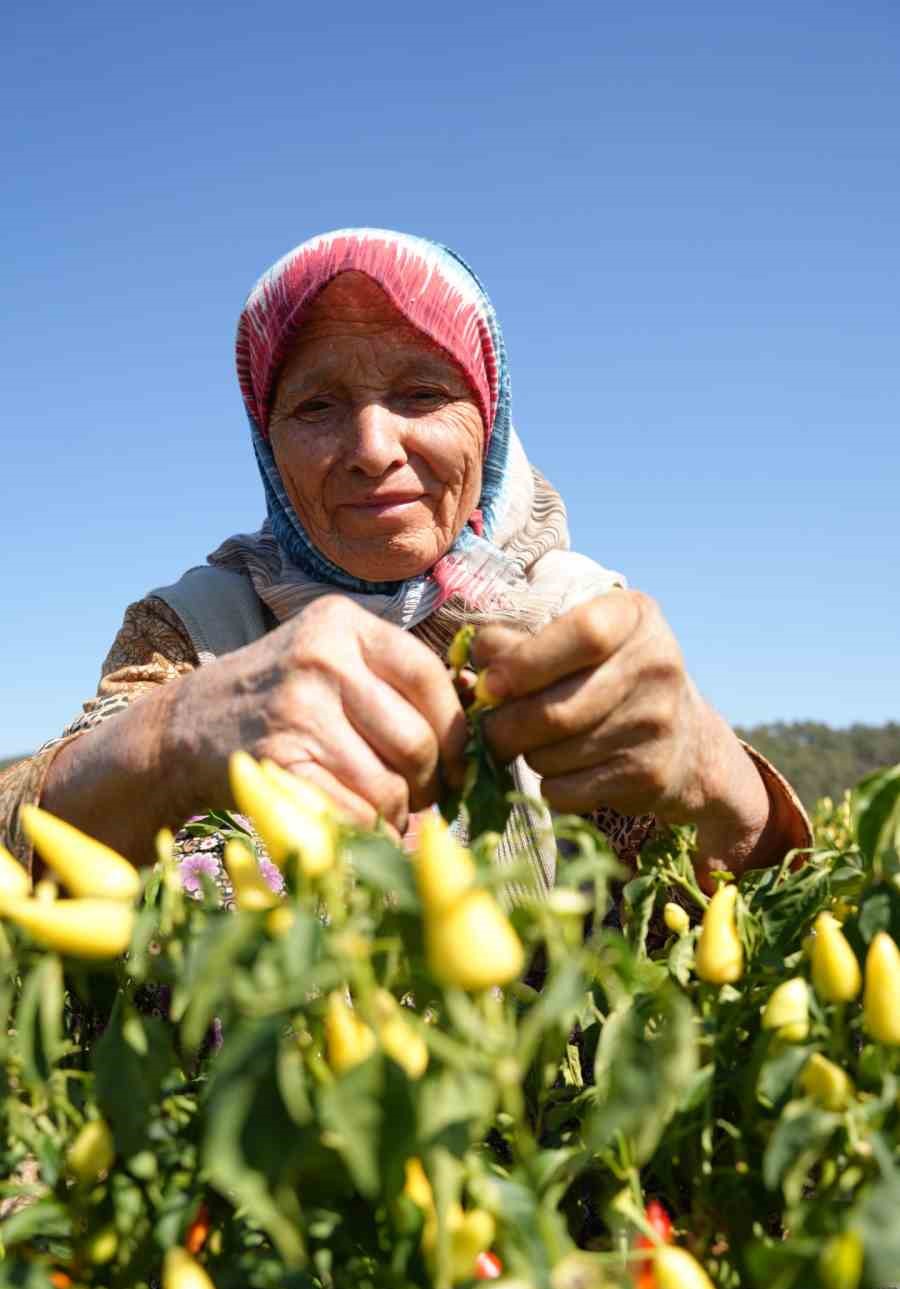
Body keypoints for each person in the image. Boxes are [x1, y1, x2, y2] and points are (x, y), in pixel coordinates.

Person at [0, 228, 809, 892]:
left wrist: (715, 775)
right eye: (317, 405)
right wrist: (175, 736)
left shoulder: (578, 618)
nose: (372, 448)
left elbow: (760, 926)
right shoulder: (201, 629)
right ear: (267, 443)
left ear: (489, 419)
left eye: (422, 394)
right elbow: (22, 847)